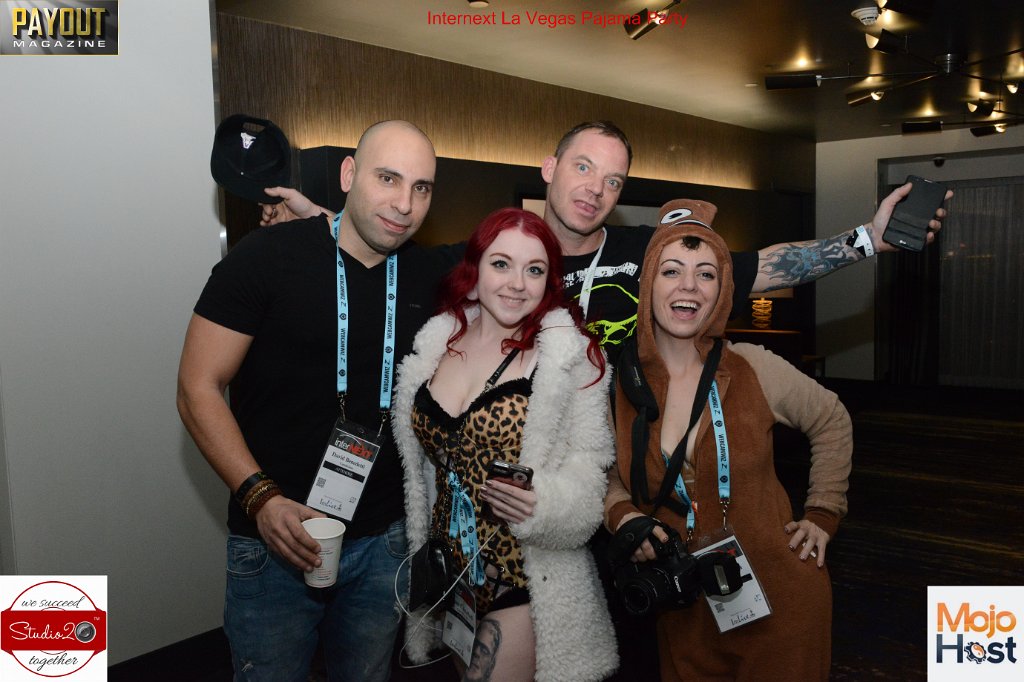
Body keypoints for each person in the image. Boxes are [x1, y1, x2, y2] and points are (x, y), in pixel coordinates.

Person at [261, 120, 949, 361]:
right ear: (550, 169)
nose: (595, 188)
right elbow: (384, 249)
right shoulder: (493, 255)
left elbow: (761, 267)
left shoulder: (645, 255)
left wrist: (866, 240)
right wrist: (322, 218)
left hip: (619, 477)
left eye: (613, 180)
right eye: (584, 168)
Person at [177, 120, 456, 681]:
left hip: (384, 542)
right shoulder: (264, 258)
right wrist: (262, 499)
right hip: (276, 538)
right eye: (387, 178)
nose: (404, 204)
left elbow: (526, 255)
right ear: (349, 174)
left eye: (421, 187)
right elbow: (196, 387)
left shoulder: (430, 274)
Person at [603, 198, 853, 681]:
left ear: (721, 291)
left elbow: (833, 419)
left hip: (779, 599)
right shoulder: (621, 385)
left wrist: (823, 512)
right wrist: (623, 516)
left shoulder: (751, 366)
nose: (689, 286)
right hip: (681, 606)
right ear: (648, 284)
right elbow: (607, 475)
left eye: (706, 274)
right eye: (671, 271)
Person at [391, 208, 618, 681]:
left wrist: (543, 503)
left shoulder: (570, 358)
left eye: (534, 269)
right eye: (501, 264)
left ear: (548, 282)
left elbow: (591, 469)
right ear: (474, 273)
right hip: (451, 570)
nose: (517, 283)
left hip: (521, 571)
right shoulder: (438, 342)